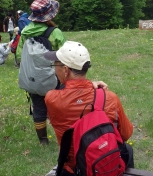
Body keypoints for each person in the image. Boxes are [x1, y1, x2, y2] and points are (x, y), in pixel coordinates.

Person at [45, 41, 134, 175]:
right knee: (128, 149)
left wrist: (86, 85)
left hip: (72, 170)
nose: (54, 69)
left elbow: (73, 94)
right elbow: (126, 134)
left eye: (55, 65)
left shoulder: (51, 99)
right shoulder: (110, 98)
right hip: (103, 164)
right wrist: (90, 85)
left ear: (65, 70)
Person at [17, 0, 66, 145]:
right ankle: (63, 136)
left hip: (32, 79)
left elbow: (20, 55)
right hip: (54, 78)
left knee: (38, 108)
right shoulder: (55, 32)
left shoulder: (25, 32)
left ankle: (43, 140)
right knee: (59, 107)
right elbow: (64, 55)